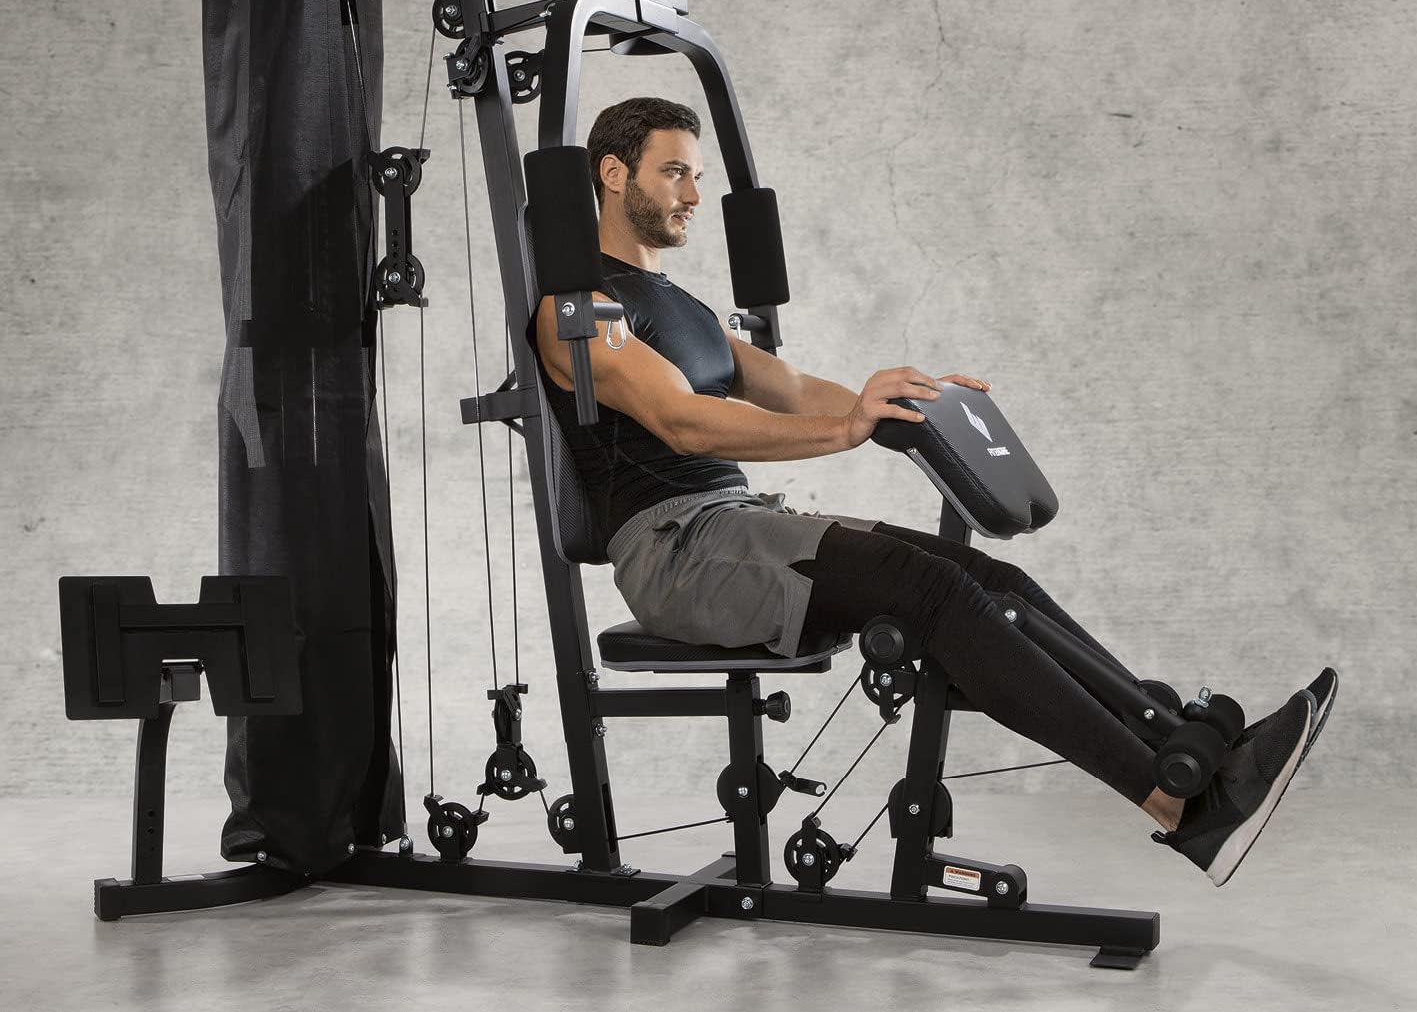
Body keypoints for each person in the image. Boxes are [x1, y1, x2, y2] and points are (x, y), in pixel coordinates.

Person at [532, 97, 1336, 886]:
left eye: (698, 176)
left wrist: (915, 403)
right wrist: (847, 428)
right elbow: (682, 422)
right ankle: (1178, 808)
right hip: (677, 554)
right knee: (930, 587)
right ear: (613, 174)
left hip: (733, 530)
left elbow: (792, 387)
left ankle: (1182, 751)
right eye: (674, 173)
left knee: (989, 579)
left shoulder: (685, 308)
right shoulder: (579, 310)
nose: (693, 194)